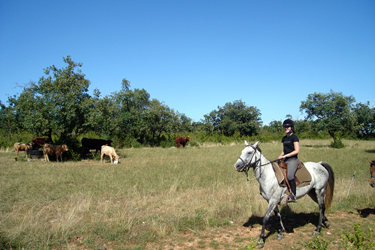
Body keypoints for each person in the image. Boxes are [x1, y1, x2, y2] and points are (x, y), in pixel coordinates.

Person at [278, 119, 300, 202]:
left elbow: (297, 150)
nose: (286, 128)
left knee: (290, 176)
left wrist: (286, 155)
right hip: (285, 159)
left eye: (288, 126)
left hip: (292, 160)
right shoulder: (284, 138)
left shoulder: (294, 137)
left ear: (292, 127)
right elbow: (284, 150)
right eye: (285, 127)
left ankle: (293, 195)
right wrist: (280, 156)